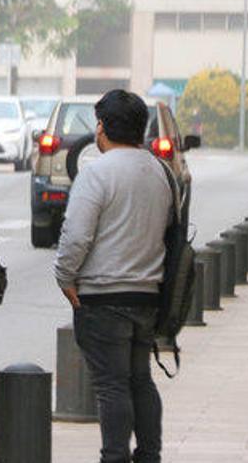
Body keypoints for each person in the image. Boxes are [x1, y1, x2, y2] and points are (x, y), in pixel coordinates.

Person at [54, 90, 171, 463]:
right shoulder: (160, 171)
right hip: (148, 297)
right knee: (141, 379)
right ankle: (150, 455)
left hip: (103, 298)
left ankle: (115, 457)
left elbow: (76, 236)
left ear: (102, 127)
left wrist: (65, 277)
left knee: (111, 386)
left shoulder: (97, 173)